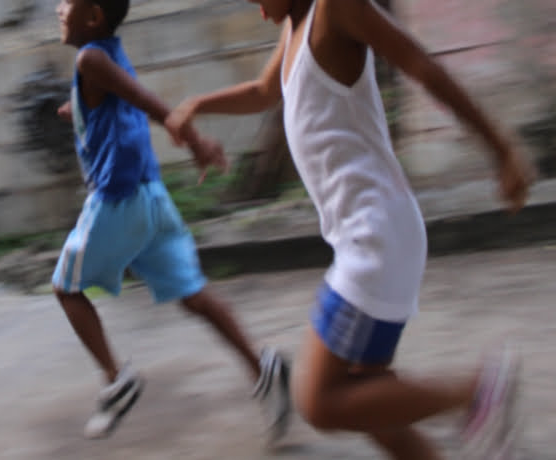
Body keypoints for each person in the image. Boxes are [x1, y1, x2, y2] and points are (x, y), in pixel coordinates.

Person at [164, 0, 534, 458]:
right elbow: (263, 90)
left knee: (319, 401)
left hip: (374, 236)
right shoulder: (294, 25)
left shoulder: (335, 8)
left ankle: (478, 392)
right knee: (367, 400)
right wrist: (196, 104)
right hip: (367, 235)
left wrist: (502, 148)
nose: (256, 7)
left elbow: (421, 65)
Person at [51, 0, 291, 441]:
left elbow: (148, 102)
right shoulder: (105, 57)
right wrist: (77, 110)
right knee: (193, 295)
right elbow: (121, 102)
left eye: (68, 2)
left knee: (66, 288)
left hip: (117, 200)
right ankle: (263, 368)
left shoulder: (91, 58)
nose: (58, 7)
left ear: (93, 17)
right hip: (151, 197)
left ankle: (115, 378)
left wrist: (194, 137)